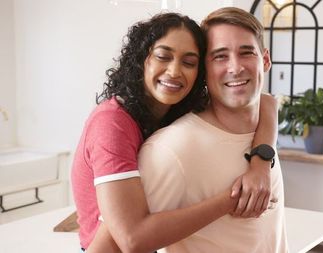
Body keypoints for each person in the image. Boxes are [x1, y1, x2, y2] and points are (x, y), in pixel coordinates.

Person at [70, 12, 278, 253]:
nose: (174, 71)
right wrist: (236, 197)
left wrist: (261, 164)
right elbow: (131, 239)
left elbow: (268, 103)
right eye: (163, 56)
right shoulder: (112, 123)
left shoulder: (177, 107)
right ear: (141, 59)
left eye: (189, 62)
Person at [138, 7, 287, 252]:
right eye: (220, 56)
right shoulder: (173, 148)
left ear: (266, 60)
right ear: (203, 71)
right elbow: (120, 243)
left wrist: (261, 161)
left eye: (246, 52)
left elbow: (268, 101)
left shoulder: (262, 126)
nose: (236, 67)